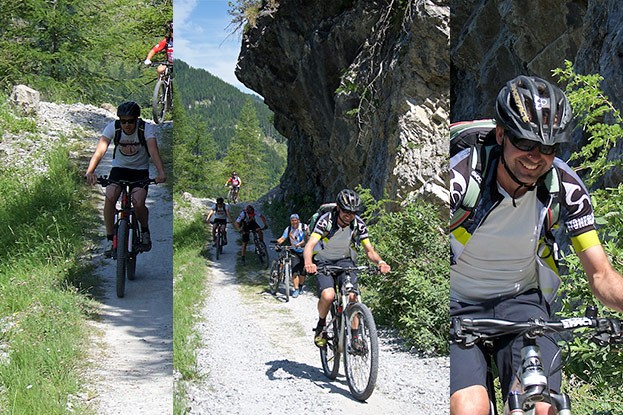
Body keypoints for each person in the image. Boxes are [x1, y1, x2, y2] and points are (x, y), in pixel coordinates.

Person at [449, 75, 623, 415]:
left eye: (548, 148)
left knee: (543, 406)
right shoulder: (460, 179)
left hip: (523, 303)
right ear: (501, 135)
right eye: (525, 143)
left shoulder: (564, 187)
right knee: (469, 407)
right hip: (459, 305)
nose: (535, 157)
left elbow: (601, 274)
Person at [303, 189, 391, 350]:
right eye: (345, 211)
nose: (348, 215)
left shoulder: (358, 224)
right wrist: (309, 262)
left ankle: (356, 336)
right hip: (323, 262)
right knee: (328, 295)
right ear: (338, 208)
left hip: (345, 261)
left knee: (352, 297)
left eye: (352, 212)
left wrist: (381, 262)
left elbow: (369, 250)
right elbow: (309, 245)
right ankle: (322, 324)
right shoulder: (326, 221)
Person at [85, 101, 166, 255]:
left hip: (140, 171)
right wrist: (90, 171)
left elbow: (154, 152)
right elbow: (99, 152)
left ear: (137, 119)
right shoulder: (113, 128)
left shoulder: (145, 129)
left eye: (131, 121)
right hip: (119, 170)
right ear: (119, 120)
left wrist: (161, 173)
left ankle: (144, 231)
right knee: (109, 198)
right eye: (123, 121)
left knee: (138, 202)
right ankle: (110, 239)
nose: (127, 125)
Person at [275, 213, 309, 298]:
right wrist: (277, 242)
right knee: (294, 271)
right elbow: (283, 238)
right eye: (292, 222)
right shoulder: (289, 229)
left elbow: (308, 239)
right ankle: (296, 289)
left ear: (298, 220)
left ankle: (301, 286)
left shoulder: (304, 227)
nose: (294, 224)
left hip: (305, 251)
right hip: (294, 251)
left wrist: (300, 244)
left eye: (295, 221)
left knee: (303, 272)